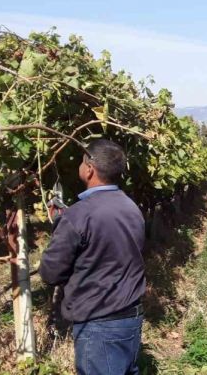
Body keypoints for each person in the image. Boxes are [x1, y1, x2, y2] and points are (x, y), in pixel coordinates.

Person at [40, 139, 145, 375]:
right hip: (131, 317)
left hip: (99, 323)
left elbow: (50, 272)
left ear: (89, 169)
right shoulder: (131, 207)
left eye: (81, 161)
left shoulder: (78, 215)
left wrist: (59, 228)